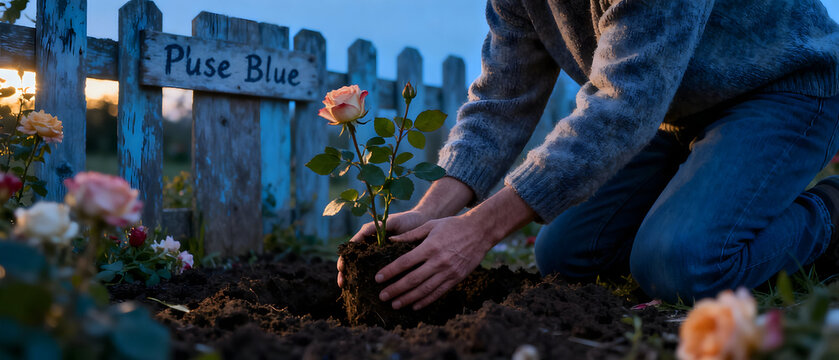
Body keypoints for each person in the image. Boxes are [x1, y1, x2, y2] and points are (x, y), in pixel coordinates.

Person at [338, 0, 839, 310]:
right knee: (566, 253)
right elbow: (500, 100)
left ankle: (830, 216)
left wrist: (479, 229)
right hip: (677, 110)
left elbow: (625, 103)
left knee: (685, 263)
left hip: (784, 86)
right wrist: (431, 212)